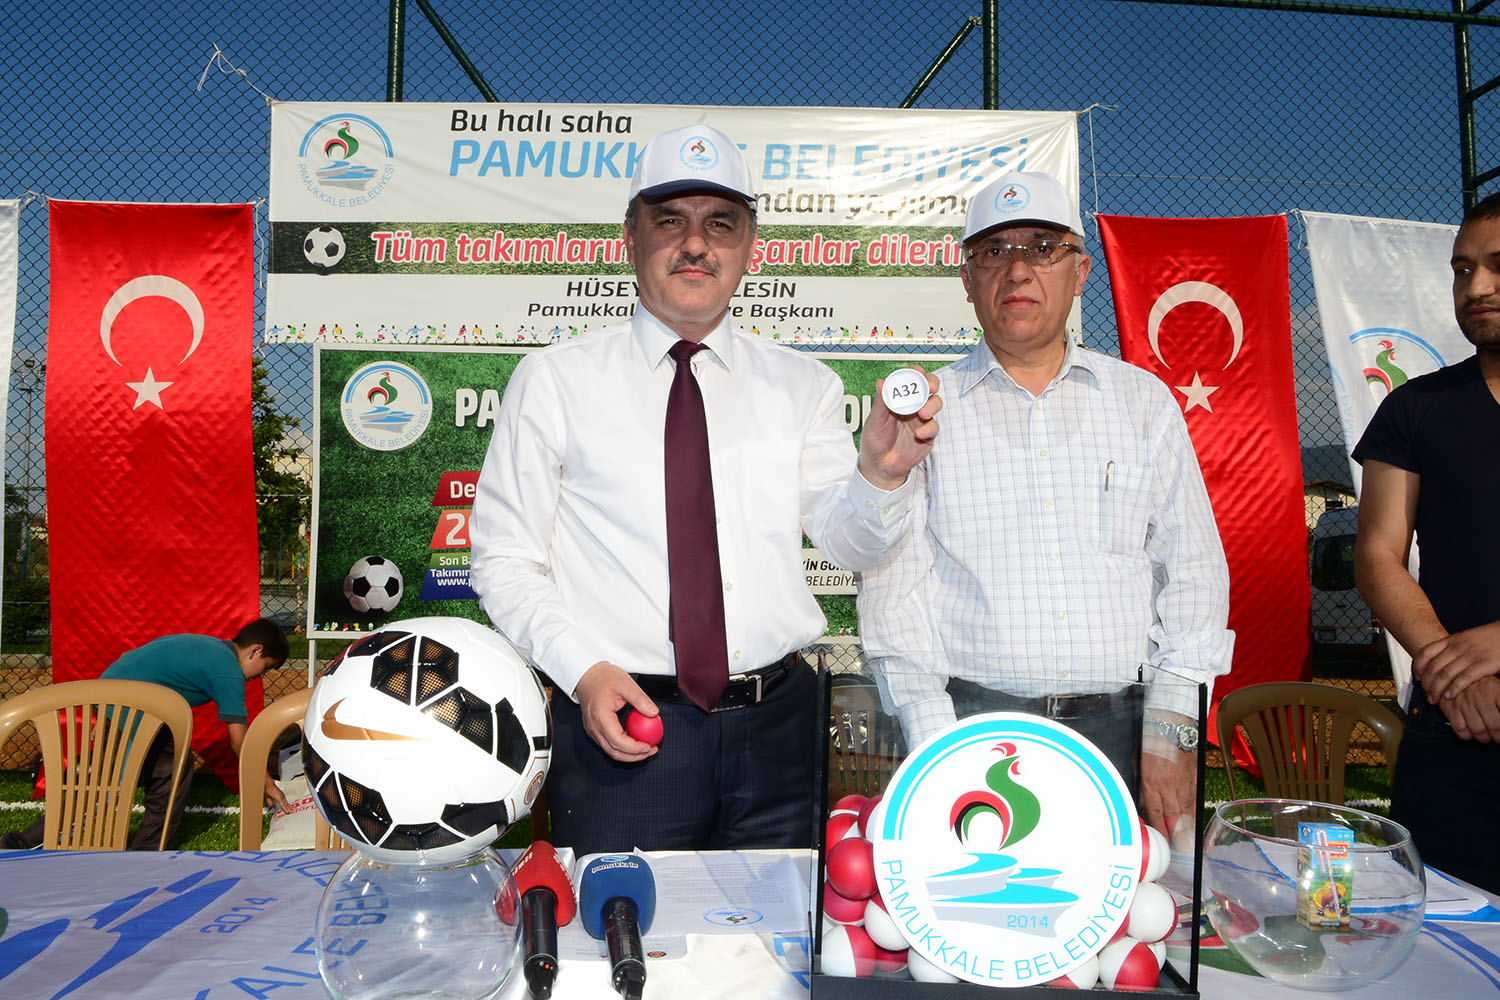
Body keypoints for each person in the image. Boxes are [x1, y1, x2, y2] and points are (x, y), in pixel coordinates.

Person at [467, 123, 941, 855]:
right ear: (630, 237)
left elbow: (853, 545)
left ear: (750, 247)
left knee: (783, 927)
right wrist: (583, 673)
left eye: (720, 224)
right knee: (626, 928)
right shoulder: (555, 380)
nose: (696, 244)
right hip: (623, 724)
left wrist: (880, 475)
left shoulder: (804, 385)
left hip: (781, 733)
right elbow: (504, 559)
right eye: (670, 221)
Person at [856, 170, 1233, 840]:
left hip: (1124, 735)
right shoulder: (925, 415)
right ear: (967, 279)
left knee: (1137, 909)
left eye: (1042, 247)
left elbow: (1194, 574)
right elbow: (894, 596)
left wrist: (1171, 731)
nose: (1017, 269)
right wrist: (937, 746)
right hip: (971, 728)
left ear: (1081, 271)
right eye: (993, 251)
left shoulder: (1142, 403)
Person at [1353, 190, 1500, 892]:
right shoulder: (1415, 407)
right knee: (1436, 923)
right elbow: (1377, 556)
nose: (1476, 286)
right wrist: (1450, 674)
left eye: (1497, 265)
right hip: (1454, 726)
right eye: (1462, 269)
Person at [0, 618, 291, 851]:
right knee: (106, 792)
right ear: (255, 651)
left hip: (126, 706)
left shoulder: (210, 646)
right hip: (130, 710)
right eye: (265, 668)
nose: (260, 676)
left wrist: (106, 711)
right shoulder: (227, 670)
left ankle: (147, 851)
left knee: (173, 767)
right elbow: (240, 742)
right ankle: (18, 846)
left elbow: (130, 658)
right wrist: (268, 785)